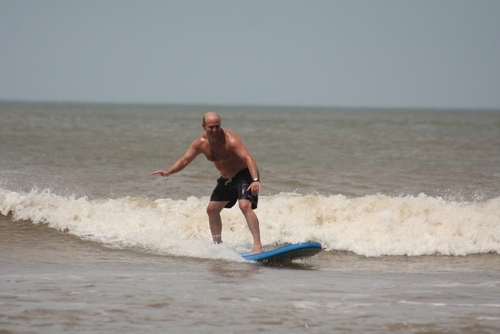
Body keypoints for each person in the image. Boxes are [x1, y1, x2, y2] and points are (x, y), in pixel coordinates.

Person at [151, 111, 263, 254]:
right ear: (203, 126)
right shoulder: (201, 143)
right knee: (212, 209)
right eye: (211, 127)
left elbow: (248, 158)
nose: (215, 130)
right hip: (227, 179)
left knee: (244, 205)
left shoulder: (231, 140)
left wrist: (255, 180)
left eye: (217, 126)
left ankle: (258, 246)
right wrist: (169, 172)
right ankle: (218, 246)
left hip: (244, 175)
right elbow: (185, 160)